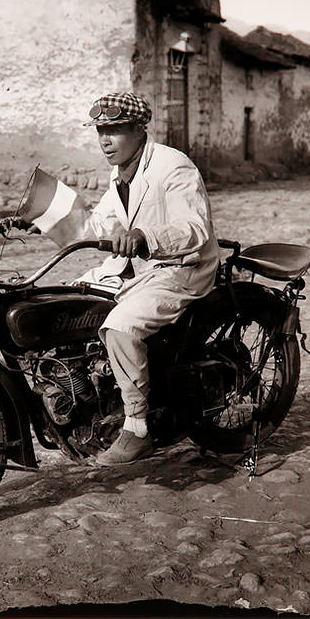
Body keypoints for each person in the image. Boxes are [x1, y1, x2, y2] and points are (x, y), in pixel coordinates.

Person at [73, 92, 219, 466]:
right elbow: (101, 223)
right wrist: (42, 216)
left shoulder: (173, 166)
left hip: (181, 269)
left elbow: (194, 228)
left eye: (115, 130)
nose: (105, 140)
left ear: (140, 131)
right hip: (139, 272)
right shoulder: (119, 173)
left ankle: (137, 427)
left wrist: (143, 237)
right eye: (100, 131)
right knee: (70, 303)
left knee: (121, 327)